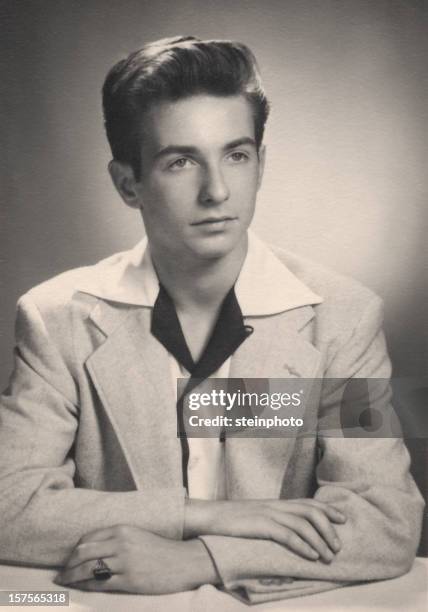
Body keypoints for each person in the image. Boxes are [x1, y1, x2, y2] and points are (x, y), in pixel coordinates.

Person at [0, 36, 423, 604]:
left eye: (237, 155)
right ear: (128, 183)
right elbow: (9, 504)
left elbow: (386, 520)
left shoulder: (342, 318)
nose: (217, 190)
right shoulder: (57, 320)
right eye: (181, 161)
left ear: (261, 164)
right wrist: (210, 515)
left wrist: (198, 557)